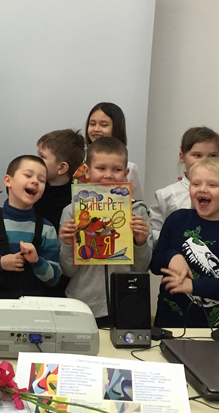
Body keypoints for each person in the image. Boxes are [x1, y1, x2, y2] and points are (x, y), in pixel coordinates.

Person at [151, 158, 219, 329]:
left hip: (218, 331)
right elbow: (156, 263)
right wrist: (172, 257)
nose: (202, 189)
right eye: (196, 184)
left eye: (212, 185)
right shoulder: (176, 220)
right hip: (169, 324)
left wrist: (193, 286)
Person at [58, 137, 152, 326]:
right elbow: (68, 270)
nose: (108, 175)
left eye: (116, 170)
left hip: (125, 302)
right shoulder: (71, 212)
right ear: (87, 171)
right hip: (82, 303)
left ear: (126, 173)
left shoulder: (138, 211)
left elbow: (142, 268)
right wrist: (68, 243)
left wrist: (140, 242)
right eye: (101, 168)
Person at [0, 155, 61, 300]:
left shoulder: (47, 229)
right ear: (8, 181)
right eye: (28, 175)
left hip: (35, 306)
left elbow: (54, 278)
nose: (35, 181)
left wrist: (36, 261)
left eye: (42, 180)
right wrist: (0, 263)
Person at [151, 127, 219, 240]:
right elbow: (153, 235)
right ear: (182, 157)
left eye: (212, 156)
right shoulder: (166, 195)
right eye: (197, 155)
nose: (205, 161)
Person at [83, 103, 144, 201]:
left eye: (104, 125)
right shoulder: (78, 162)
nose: (96, 129)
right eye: (92, 124)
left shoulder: (130, 167)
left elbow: (136, 202)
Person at [35, 129, 85, 230]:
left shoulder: (76, 201)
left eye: (42, 157)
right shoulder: (32, 190)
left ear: (62, 168)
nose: (35, 161)